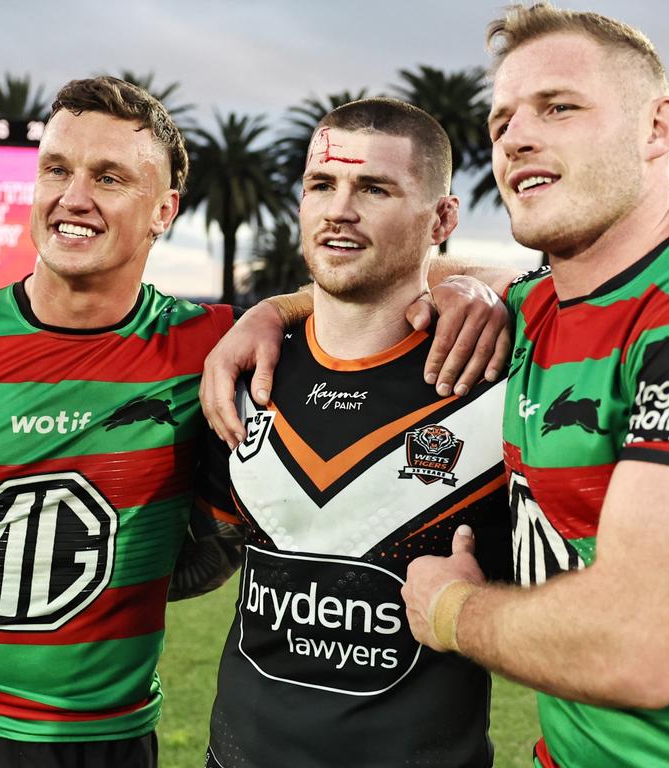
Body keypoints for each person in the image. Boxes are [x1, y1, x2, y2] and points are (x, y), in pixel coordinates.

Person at [0, 78, 505, 767]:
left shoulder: (212, 347)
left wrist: (466, 282)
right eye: (57, 169)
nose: (73, 197)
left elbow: (364, 287)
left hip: (105, 743)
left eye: (109, 178)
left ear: (165, 210)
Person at [399, 5, 669, 767]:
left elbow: (640, 649)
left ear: (657, 128)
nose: (516, 137)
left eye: (559, 106)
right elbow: (390, 276)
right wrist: (272, 313)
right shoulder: (537, 307)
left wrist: (449, 610)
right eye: (500, 123)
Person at [196, 97, 511, 768]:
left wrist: (495, 280)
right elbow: (209, 556)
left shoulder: (496, 382)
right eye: (322, 185)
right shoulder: (243, 373)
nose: (340, 208)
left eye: (374, 187)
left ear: (444, 219)